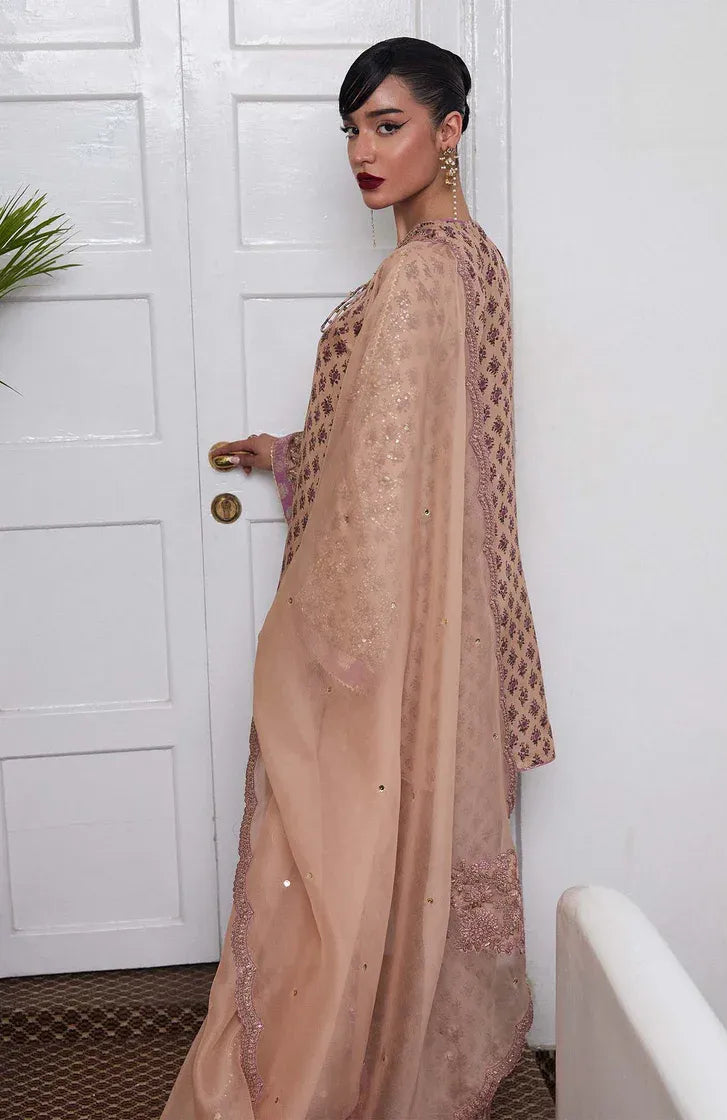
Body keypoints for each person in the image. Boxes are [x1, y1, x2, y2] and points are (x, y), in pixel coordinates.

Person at [160, 35, 555, 1120]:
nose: (362, 152)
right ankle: (391, 1057)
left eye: (388, 125)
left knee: (347, 861)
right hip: (448, 622)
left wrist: (320, 635)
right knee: (393, 856)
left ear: (449, 129)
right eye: (352, 130)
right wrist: (287, 453)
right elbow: (414, 447)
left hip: (394, 628)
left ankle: (333, 1079)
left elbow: (387, 481)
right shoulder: (476, 260)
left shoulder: (422, 273)